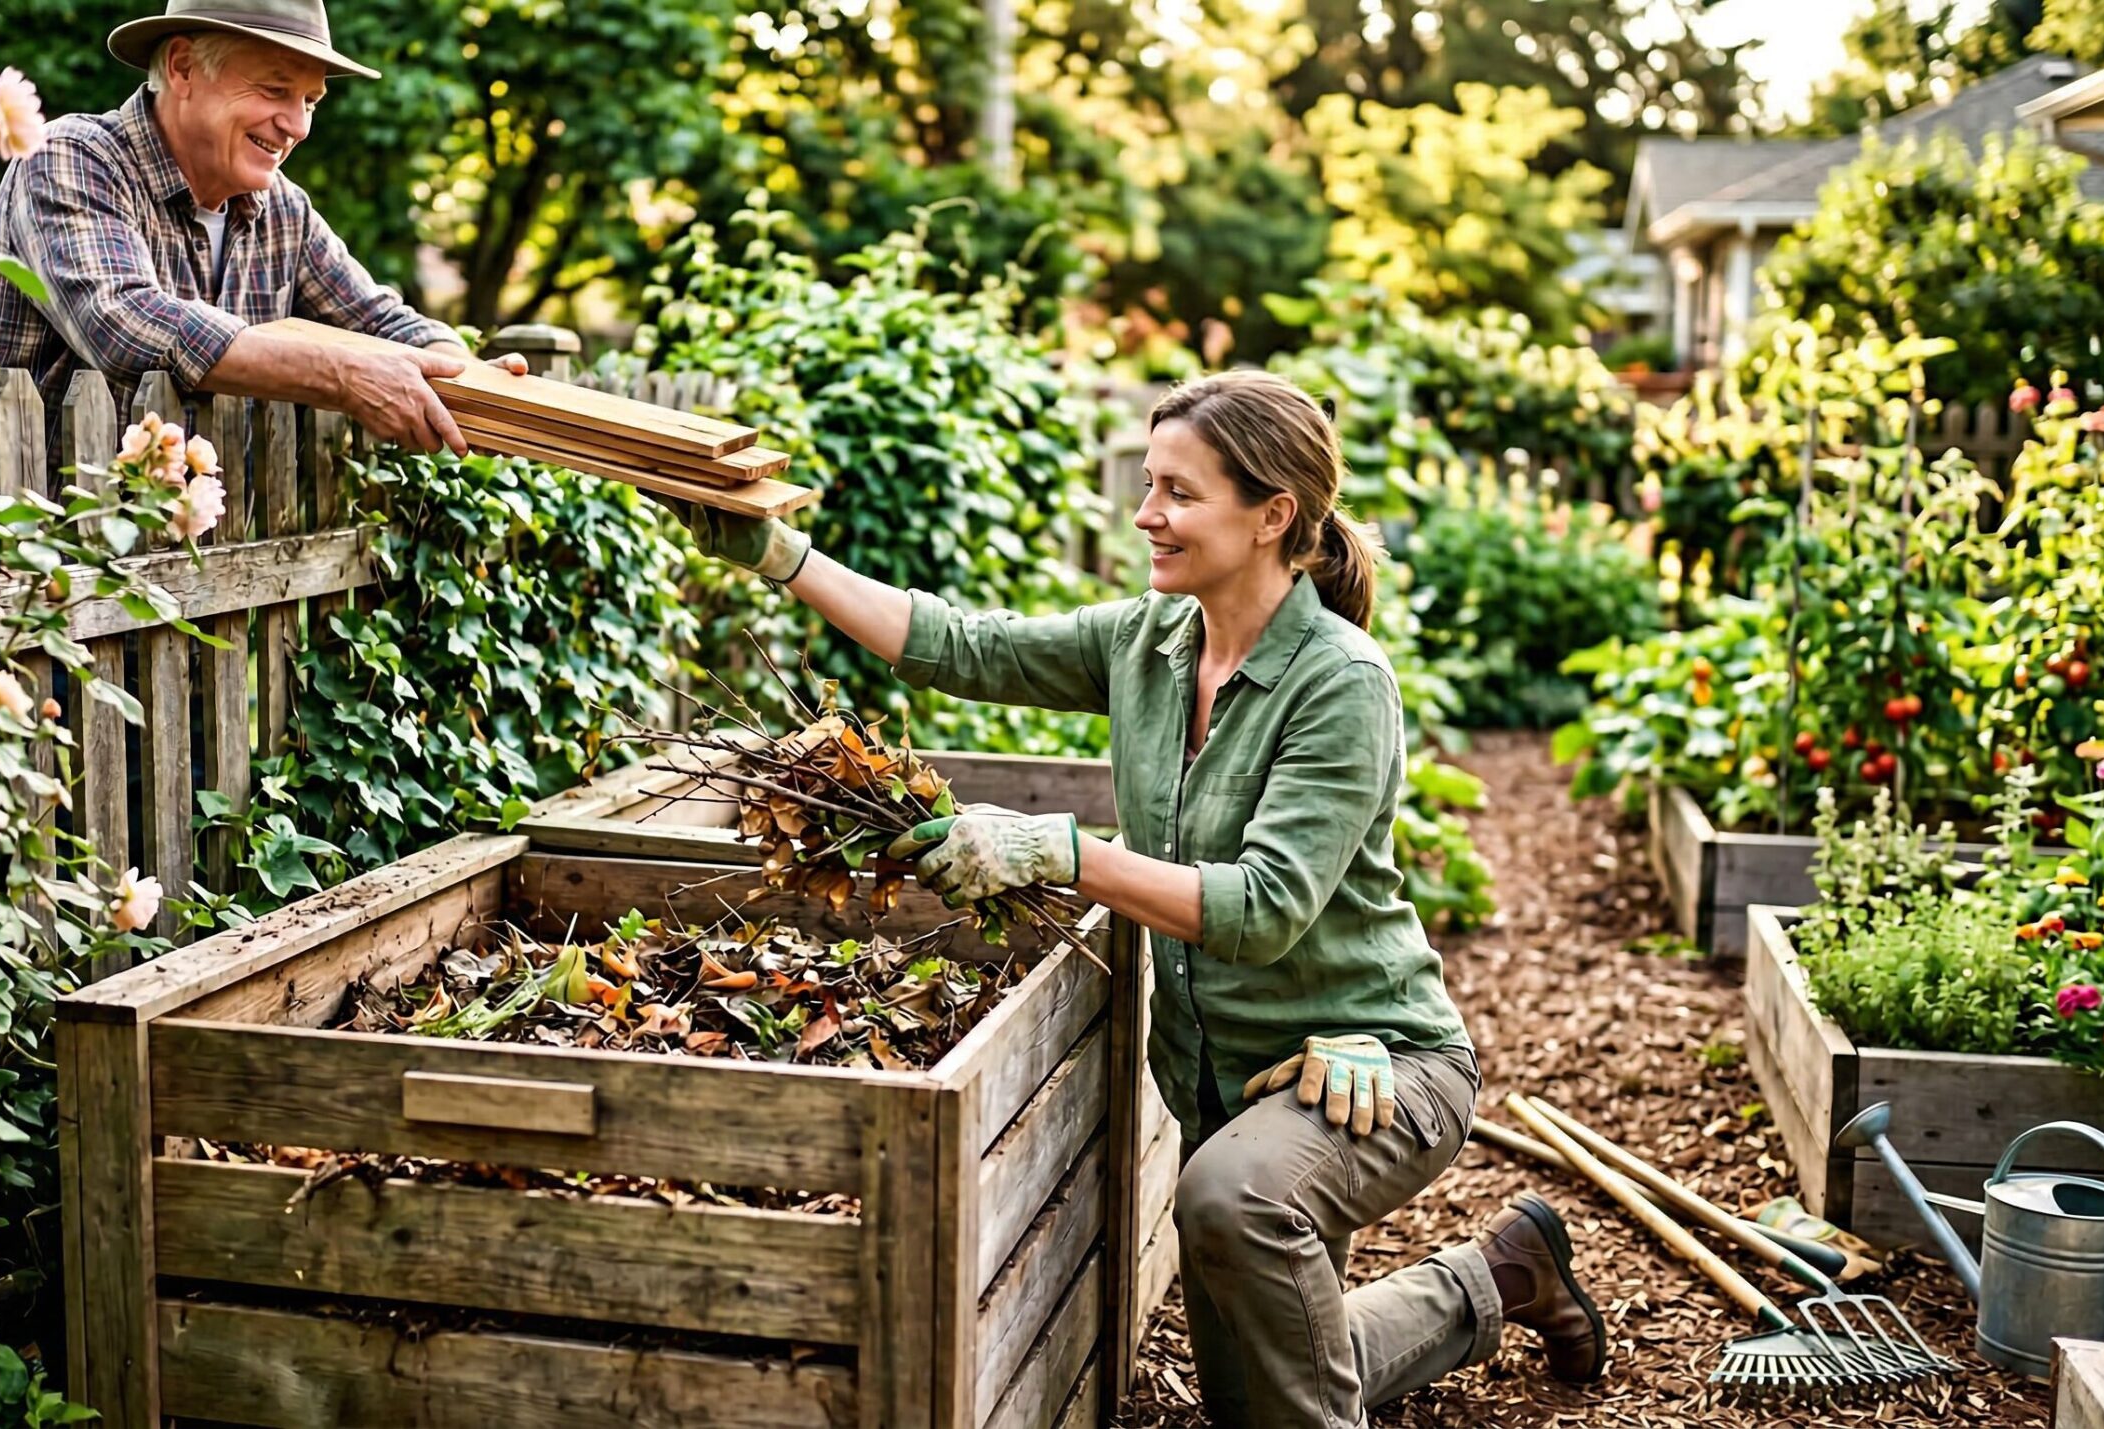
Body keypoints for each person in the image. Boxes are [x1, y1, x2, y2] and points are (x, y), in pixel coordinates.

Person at [672, 370, 1606, 1427]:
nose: (1145, 513)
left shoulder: (1341, 682)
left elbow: (1262, 907)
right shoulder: (1150, 643)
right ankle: (1503, 1272)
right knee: (1261, 1390)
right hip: (1238, 1084)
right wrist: (780, 556)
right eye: (1149, 483)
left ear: (1272, 516)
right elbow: (957, 645)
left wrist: (1060, 849)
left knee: (1228, 1196)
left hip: (1378, 1065)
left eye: (1177, 491)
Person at [0, 0, 511, 473]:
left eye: (311, 102)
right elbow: (123, 321)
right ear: (182, 68)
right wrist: (343, 376)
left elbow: (379, 322)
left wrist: (470, 380)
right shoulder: (73, 158)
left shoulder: (283, 210)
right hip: (30, 565)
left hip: (200, 575)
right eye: (275, 90)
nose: (297, 126)